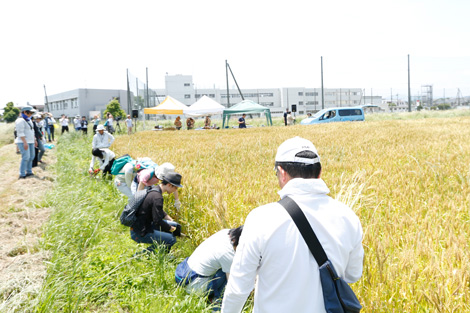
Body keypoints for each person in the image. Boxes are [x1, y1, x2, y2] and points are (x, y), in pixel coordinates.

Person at [221, 136, 364, 313]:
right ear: (319, 173)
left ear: (281, 172)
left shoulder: (261, 218)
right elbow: (353, 274)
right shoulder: (348, 217)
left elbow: (238, 289)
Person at [176, 226, 244, 310]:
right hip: (194, 286)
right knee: (234, 274)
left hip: (186, 274)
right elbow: (233, 284)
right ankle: (216, 302)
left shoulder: (225, 233)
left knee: (227, 267)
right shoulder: (228, 254)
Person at [130, 171, 184, 254]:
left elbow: (157, 210)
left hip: (142, 225)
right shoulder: (157, 197)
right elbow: (157, 221)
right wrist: (169, 228)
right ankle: (141, 255)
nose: (175, 190)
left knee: (175, 225)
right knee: (171, 239)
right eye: (175, 188)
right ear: (169, 185)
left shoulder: (154, 190)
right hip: (140, 231)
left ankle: (162, 252)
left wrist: (168, 218)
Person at [15, 106, 37, 179]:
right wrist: (25, 142)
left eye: (32, 112)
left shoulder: (29, 120)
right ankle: (22, 174)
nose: (31, 114)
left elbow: (32, 131)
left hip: (31, 141)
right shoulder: (20, 120)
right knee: (26, 157)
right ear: (24, 112)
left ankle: (29, 171)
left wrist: (35, 140)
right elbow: (20, 132)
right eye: (29, 112)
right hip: (23, 141)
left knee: (31, 157)